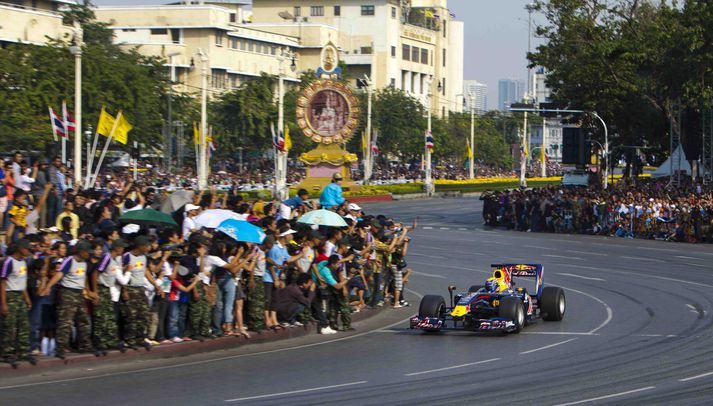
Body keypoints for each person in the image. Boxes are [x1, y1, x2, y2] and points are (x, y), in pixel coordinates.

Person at [40, 241, 96, 359]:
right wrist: (48, 287)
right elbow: (59, 274)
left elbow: (84, 277)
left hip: (79, 293)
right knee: (65, 321)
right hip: (68, 292)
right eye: (87, 252)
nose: (88, 254)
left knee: (83, 320)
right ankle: (60, 348)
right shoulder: (70, 261)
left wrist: (87, 291)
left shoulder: (84, 262)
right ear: (81, 252)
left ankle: (85, 345)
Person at [122, 235, 166, 350]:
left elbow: (146, 272)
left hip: (140, 288)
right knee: (131, 315)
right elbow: (122, 273)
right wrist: (124, 290)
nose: (148, 248)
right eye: (146, 246)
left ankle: (140, 338)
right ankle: (129, 339)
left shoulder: (143, 257)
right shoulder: (127, 256)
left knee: (144, 313)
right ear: (140, 246)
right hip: (130, 288)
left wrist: (156, 285)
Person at [92, 239, 130, 355]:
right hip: (101, 288)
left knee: (110, 318)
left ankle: (110, 341)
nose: (123, 250)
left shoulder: (117, 259)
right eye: (121, 248)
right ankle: (99, 344)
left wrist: (124, 290)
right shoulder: (107, 257)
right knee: (101, 318)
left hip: (109, 290)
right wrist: (95, 292)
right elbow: (96, 273)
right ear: (116, 248)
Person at [0, 239, 34, 366]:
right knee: (9, 326)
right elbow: (2, 282)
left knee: (24, 325)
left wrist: (27, 298)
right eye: (26, 249)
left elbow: (22, 282)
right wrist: (3, 303)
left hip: (20, 295)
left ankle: (23, 351)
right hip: (10, 295)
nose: (27, 251)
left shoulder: (23, 262)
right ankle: (6, 353)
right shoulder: (9, 262)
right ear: (20, 248)